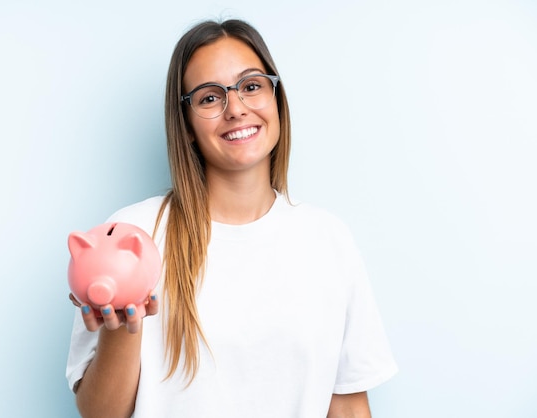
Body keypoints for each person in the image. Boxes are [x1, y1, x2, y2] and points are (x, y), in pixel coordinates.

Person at [66, 18, 397, 418]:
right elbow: (99, 414)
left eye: (251, 86)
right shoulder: (134, 237)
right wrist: (120, 334)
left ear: (276, 98)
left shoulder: (327, 239)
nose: (236, 109)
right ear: (186, 124)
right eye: (209, 98)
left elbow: (346, 405)